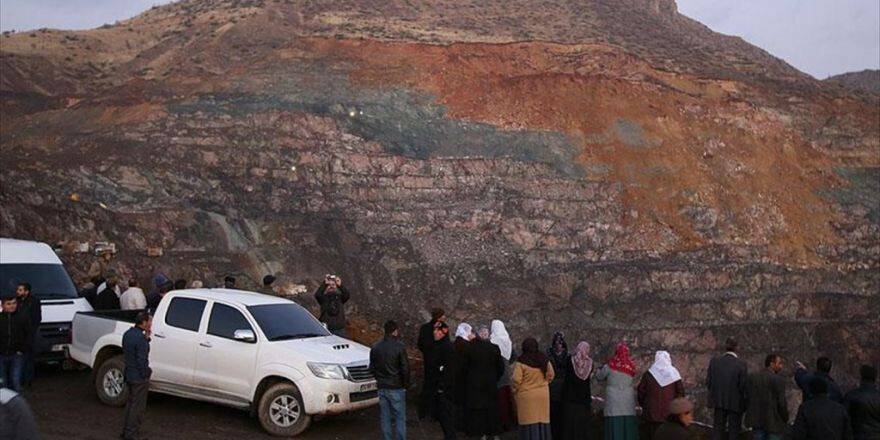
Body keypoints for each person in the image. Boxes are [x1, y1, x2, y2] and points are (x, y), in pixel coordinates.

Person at [463, 325, 505, 439]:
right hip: (490, 383)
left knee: (478, 410)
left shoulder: (470, 348)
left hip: (475, 384)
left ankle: (481, 433)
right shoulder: (494, 348)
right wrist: (494, 378)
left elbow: (464, 367)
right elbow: (501, 367)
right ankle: (494, 432)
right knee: (491, 409)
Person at [370, 320, 409, 440]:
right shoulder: (400, 347)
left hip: (382, 386)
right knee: (399, 417)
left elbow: (372, 367)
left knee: (385, 417)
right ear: (395, 331)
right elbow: (405, 369)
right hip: (396, 386)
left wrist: (379, 379)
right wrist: (405, 384)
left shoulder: (376, 347)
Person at [511, 337, 555, 439]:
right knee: (542, 422)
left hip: (527, 397)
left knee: (529, 423)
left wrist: (515, 390)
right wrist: (544, 383)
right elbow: (551, 374)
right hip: (542, 395)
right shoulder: (544, 359)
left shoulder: (521, 361)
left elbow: (516, 380)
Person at [706, 337, 748, 440]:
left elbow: (708, 382)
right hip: (735, 403)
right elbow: (743, 385)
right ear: (737, 347)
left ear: (725, 347)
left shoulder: (714, 362)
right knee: (734, 431)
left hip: (719, 401)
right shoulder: (741, 364)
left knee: (718, 430)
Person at [638, 350, 685, 440]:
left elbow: (641, 391)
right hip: (669, 414)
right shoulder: (674, 374)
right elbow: (680, 393)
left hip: (650, 414)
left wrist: (644, 405)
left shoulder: (649, 374)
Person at [597, 342, 639, 440]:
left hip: (613, 400)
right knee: (627, 425)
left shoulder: (610, 365)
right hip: (627, 400)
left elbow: (600, 376)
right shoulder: (631, 366)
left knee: (614, 425)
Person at [121, 311, 153, 440]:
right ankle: (131, 434)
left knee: (130, 405)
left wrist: (146, 338)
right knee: (137, 407)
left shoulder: (128, 334)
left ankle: (126, 431)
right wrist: (147, 373)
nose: (151, 324)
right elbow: (142, 361)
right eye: (149, 321)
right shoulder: (141, 340)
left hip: (129, 373)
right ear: (144, 323)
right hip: (139, 377)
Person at [745, 354, 789, 440]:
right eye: (779, 363)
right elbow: (782, 404)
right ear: (772, 364)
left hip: (757, 421)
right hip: (774, 423)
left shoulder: (752, 377)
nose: (781, 366)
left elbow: (747, 397)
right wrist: (785, 418)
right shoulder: (778, 380)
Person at [425, 321, 457, 439]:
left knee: (446, 417)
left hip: (444, 389)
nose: (435, 333)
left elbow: (448, 370)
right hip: (438, 388)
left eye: (438, 330)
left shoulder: (447, 347)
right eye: (434, 330)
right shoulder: (437, 346)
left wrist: (442, 386)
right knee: (442, 418)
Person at [418, 308, 448, 419]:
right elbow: (446, 345)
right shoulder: (443, 328)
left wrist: (427, 354)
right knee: (438, 386)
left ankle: (424, 411)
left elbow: (420, 344)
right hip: (439, 362)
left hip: (428, 360)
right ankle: (435, 413)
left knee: (428, 385)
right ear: (439, 316)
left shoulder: (424, 328)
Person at [562, 341, 594, 440]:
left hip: (570, 398)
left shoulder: (569, 360)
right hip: (583, 400)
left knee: (570, 427)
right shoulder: (590, 363)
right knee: (582, 427)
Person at [489, 319, 515, 431]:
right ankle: (509, 421)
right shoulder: (507, 339)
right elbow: (513, 355)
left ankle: (500, 422)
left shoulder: (492, 340)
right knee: (507, 397)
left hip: (496, 373)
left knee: (498, 400)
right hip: (506, 372)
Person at [0, 293, 28, 392]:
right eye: (9, 304)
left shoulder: (21, 318)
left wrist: (22, 349)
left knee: (15, 380)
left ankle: (16, 403)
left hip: (16, 354)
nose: (12, 306)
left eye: (14, 303)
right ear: (2, 305)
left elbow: (27, 335)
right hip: (1, 354)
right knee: (2, 382)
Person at [15, 283, 41, 388]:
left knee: (28, 357)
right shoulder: (17, 301)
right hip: (17, 334)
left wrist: (31, 331)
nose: (18, 291)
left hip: (28, 334)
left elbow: (36, 318)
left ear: (26, 291)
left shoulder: (33, 302)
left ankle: (28, 380)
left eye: (20, 290)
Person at [844, 365, 879, 440]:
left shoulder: (851, 396)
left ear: (861, 377)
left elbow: (844, 419)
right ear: (875, 378)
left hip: (858, 435)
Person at [453, 323, 475, 433]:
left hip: (455, 377)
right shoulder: (467, 346)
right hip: (466, 377)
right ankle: (465, 425)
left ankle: (456, 424)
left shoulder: (454, 344)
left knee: (457, 402)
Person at [547, 331, 569, 439]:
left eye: (560, 342)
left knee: (563, 415)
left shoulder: (567, 356)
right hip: (553, 387)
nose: (558, 345)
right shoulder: (549, 354)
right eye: (556, 342)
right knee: (553, 414)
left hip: (564, 388)